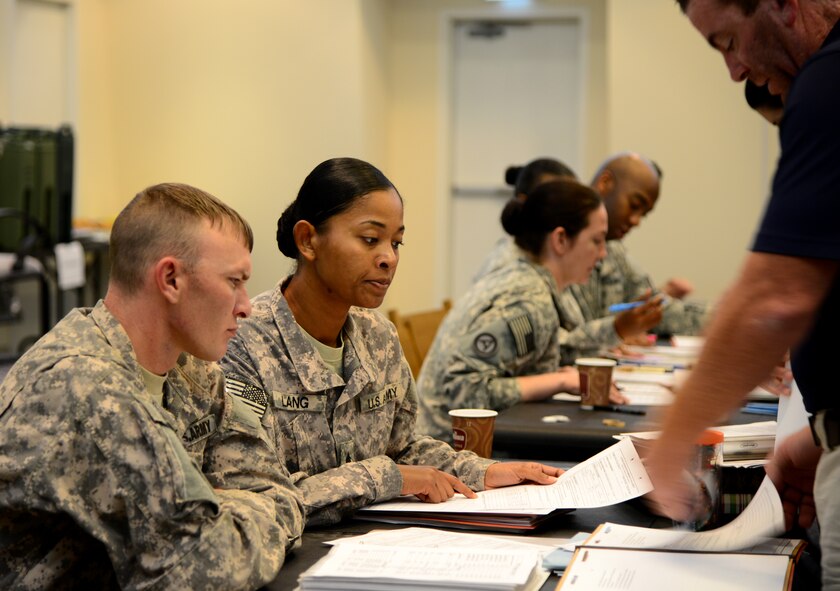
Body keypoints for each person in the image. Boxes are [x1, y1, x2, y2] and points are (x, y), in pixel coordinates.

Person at [220, 157, 561, 528]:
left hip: (374, 543)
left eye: (396, 242)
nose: (389, 258)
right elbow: (260, 499)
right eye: (370, 239)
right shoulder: (242, 343)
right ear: (308, 240)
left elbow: (405, 448)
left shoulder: (377, 335)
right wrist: (388, 477)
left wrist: (484, 471)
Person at [0, 183, 304, 589]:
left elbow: (274, 485)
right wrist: (232, 507)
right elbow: (205, 570)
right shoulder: (88, 390)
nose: (246, 305)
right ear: (171, 279)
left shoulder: (191, 370)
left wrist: (227, 508)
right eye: (234, 281)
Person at [644, 1, 840, 588]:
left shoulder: (828, 84)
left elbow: (773, 300)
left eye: (729, 41)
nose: (735, 70)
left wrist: (671, 444)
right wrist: (823, 434)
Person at [417, 178, 628, 442]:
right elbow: (464, 392)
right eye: (596, 241)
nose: (602, 254)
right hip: (447, 449)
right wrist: (558, 381)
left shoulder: (530, 280)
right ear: (561, 239)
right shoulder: (528, 300)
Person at [474, 156, 665, 361]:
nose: (601, 253)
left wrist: (615, 336)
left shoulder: (547, 265)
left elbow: (565, 338)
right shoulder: (512, 269)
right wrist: (616, 330)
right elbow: (554, 350)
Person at [568, 152, 710, 349]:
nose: (636, 221)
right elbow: (558, 344)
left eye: (643, 214)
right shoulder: (556, 247)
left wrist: (731, 318)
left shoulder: (614, 251)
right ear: (605, 183)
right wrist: (616, 331)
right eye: (634, 205)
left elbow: (657, 309)